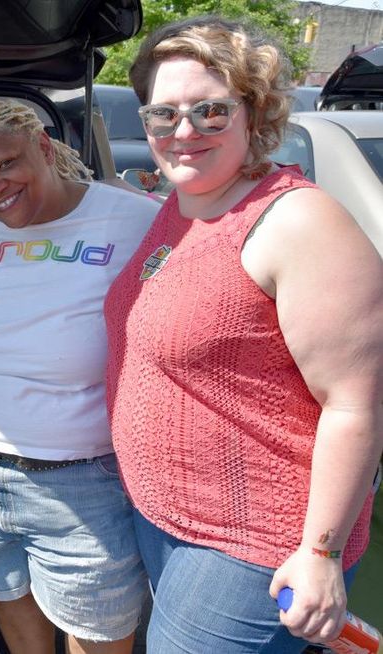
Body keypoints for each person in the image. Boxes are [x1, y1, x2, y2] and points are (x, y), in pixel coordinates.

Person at [104, 16, 383, 653]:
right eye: (162, 115)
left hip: (253, 543)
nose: (183, 132)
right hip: (167, 518)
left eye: (210, 111)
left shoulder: (299, 222)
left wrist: (320, 554)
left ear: (252, 113)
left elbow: (354, 406)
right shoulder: (181, 205)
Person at [0, 99, 158, 654]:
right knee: (8, 596)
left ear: (42, 145)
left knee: (99, 631)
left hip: (82, 482)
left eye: (6, 164)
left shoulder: (134, 219)